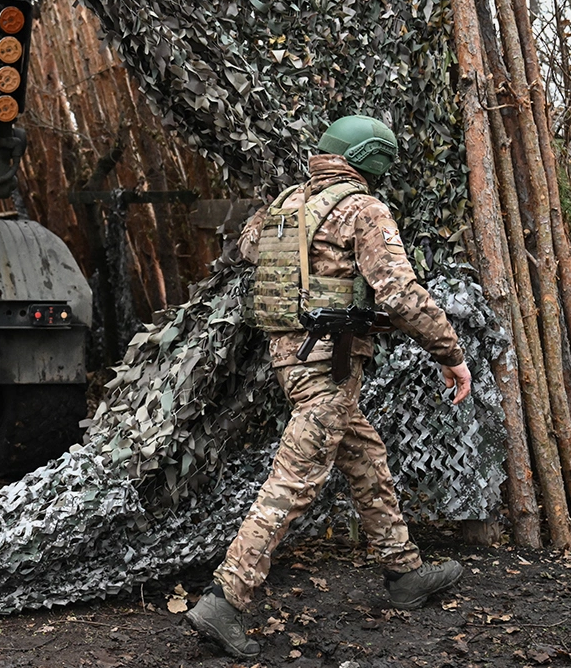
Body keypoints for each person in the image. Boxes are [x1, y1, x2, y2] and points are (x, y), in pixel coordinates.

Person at [185, 115, 473, 659]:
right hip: (328, 363)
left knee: (363, 453)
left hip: (291, 359)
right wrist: (450, 354)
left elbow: (248, 252)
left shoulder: (286, 205)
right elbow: (400, 294)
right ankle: (225, 599)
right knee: (294, 480)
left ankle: (404, 571)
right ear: (370, 158)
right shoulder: (363, 209)